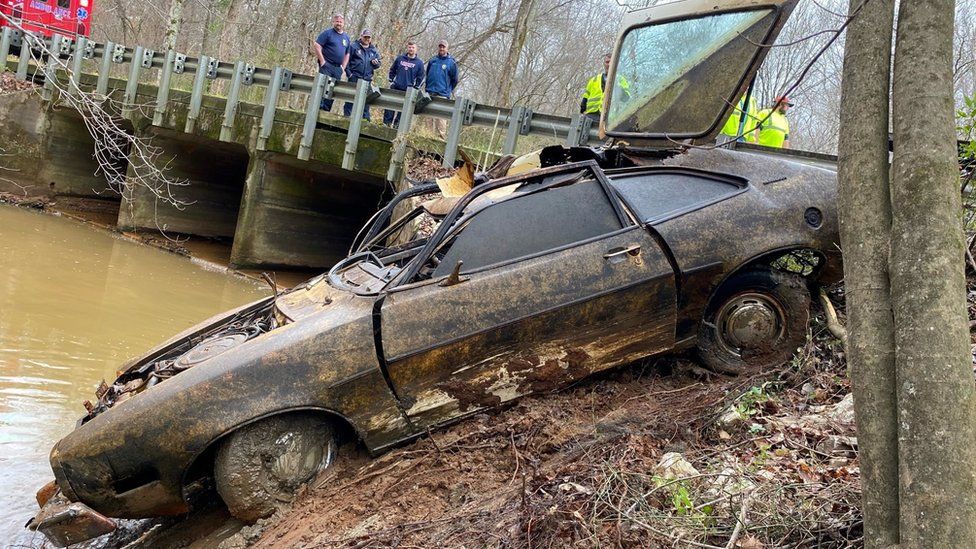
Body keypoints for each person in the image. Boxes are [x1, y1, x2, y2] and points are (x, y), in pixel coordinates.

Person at [314, 14, 351, 112]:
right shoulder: (327, 33)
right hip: (327, 66)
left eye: (340, 22)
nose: (339, 23)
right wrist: (322, 61)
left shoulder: (346, 38)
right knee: (323, 88)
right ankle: (317, 110)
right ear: (333, 22)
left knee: (332, 91)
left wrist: (343, 67)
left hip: (337, 69)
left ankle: (326, 112)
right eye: (337, 21)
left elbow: (347, 54)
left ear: (343, 23)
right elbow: (317, 45)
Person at [384, 41, 425, 128]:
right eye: (409, 47)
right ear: (407, 48)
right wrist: (391, 80)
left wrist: (416, 87)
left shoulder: (419, 63)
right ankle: (386, 124)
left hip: (408, 89)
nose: (411, 49)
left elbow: (421, 77)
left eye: (413, 47)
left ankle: (397, 126)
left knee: (403, 110)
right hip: (396, 86)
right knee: (390, 105)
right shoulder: (400, 58)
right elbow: (392, 69)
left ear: (416, 49)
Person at [343, 28, 381, 121]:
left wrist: (376, 63)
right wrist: (349, 74)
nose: (367, 39)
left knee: (366, 102)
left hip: (367, 79)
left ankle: (365, 122)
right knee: (350, 100)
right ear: (361, 36)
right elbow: (346, 60)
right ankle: (346, 119)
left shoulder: (373, 50)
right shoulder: (354, 46)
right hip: (355, 77)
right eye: (365, 37)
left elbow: (378, 64)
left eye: (369, 37)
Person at [580, 53, 628, 123]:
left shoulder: (621, 80)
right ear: (604, 64)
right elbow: (585, 99)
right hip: (591, 117)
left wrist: (616, 86)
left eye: (611, 62)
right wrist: (582, 111)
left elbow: (627, 98)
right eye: (607, 62)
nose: (609, 64)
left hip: (610, 119)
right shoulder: (594, 80)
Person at [425, 39, 459, 136]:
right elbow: (427, 74)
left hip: (442, 94)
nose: (441, 48)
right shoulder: (433, 60)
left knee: (441, 118)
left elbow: (455, 79)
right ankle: (427, 136)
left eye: (443, 47)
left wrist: (448, 90)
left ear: (447, 48)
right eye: (440, 46)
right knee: (428, 116)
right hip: (430, 92)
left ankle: (440, 138)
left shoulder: (451, 62)